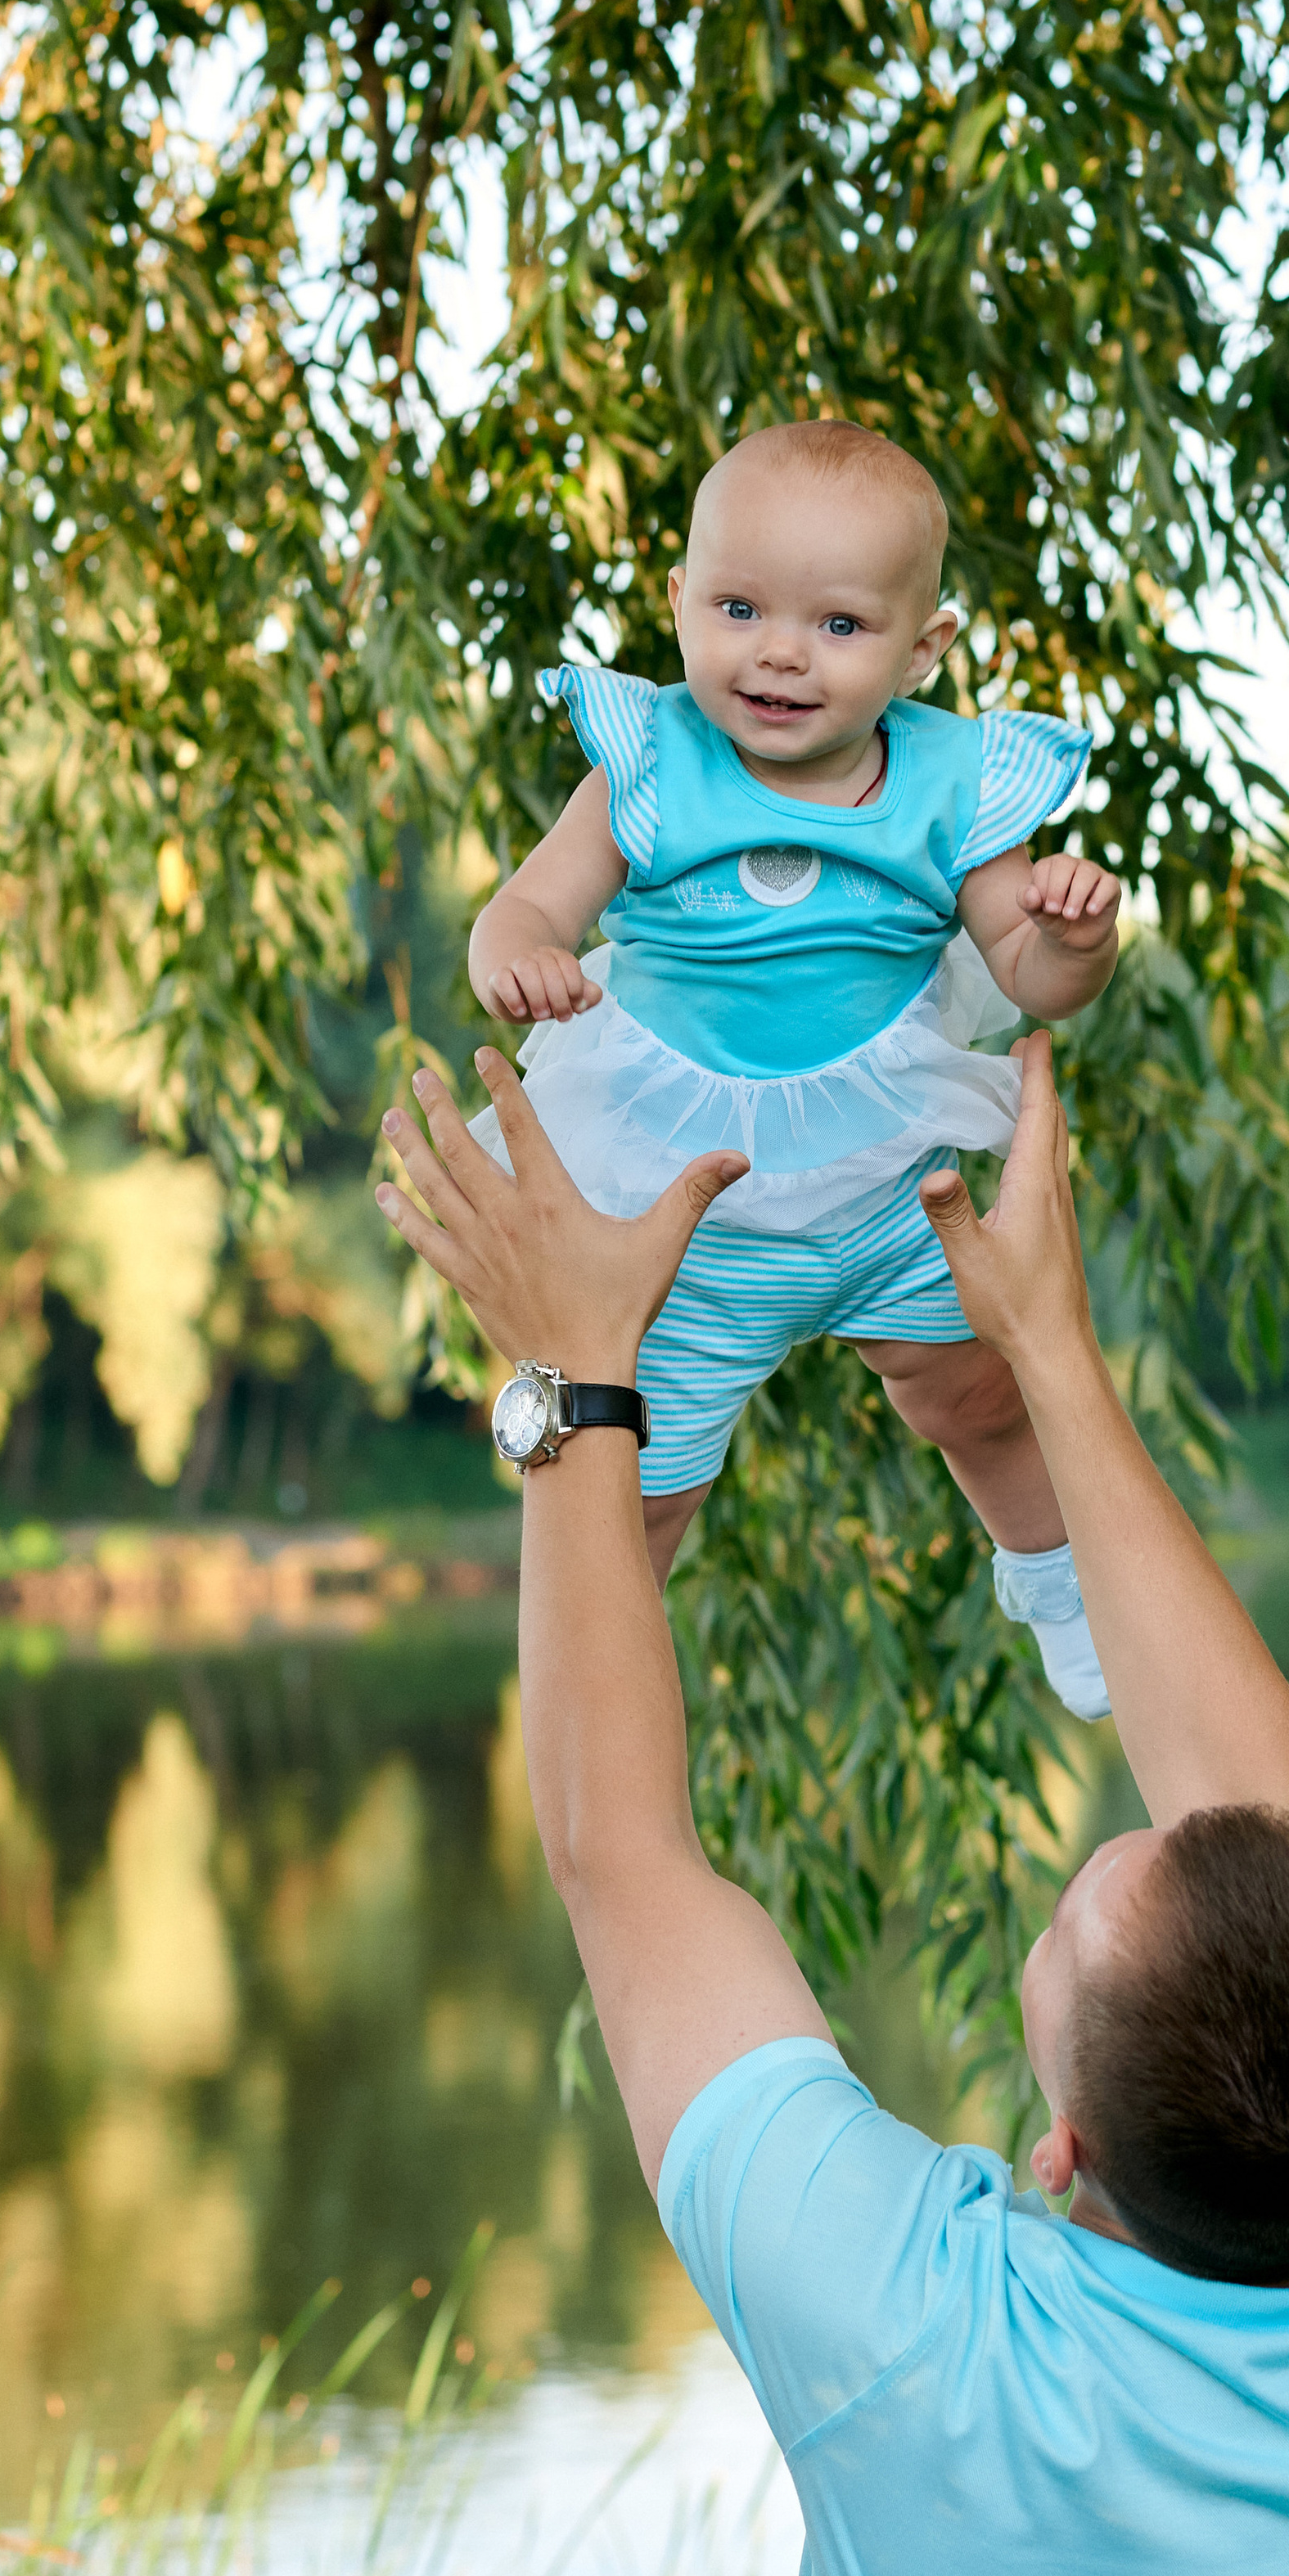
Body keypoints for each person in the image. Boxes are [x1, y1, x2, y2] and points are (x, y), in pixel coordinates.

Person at [376, 1034, 1289, 2576]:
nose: (1139, 1829)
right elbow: (1268, 1833)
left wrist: (575, 1379)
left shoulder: (946, 2363)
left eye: (1089, 1901)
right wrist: (1040, 1360)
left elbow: (630, 1866)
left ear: (1060, 2149)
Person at [461, 418, 1122, 1717]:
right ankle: (588, 1707)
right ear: (680, 603)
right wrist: (522, 958)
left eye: (839, 625)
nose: (778, 651)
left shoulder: (951, 786)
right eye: (741, 608)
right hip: (679, 1223)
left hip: (887, 1189)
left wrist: (1072, 944)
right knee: (632, 1488)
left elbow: (1025, 975)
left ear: (922, 650)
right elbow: (523, 910)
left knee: (985, 1398)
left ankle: (1054, 1581)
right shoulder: (650, 763)